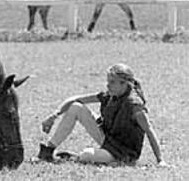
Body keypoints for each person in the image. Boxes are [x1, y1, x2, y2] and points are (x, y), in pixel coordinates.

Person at [37, 63, 168, 166]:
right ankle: (48, 151)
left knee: (86, 155)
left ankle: (76, 157)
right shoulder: (109, 95)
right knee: (76, 107)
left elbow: (149, 131)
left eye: (112, 82)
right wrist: (54, 115)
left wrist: (160, 160)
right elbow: (75, 99)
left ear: (124, 84)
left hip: (122, 152)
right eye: (108, 81)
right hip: (107, 138)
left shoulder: (135, 105)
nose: (108, 85)